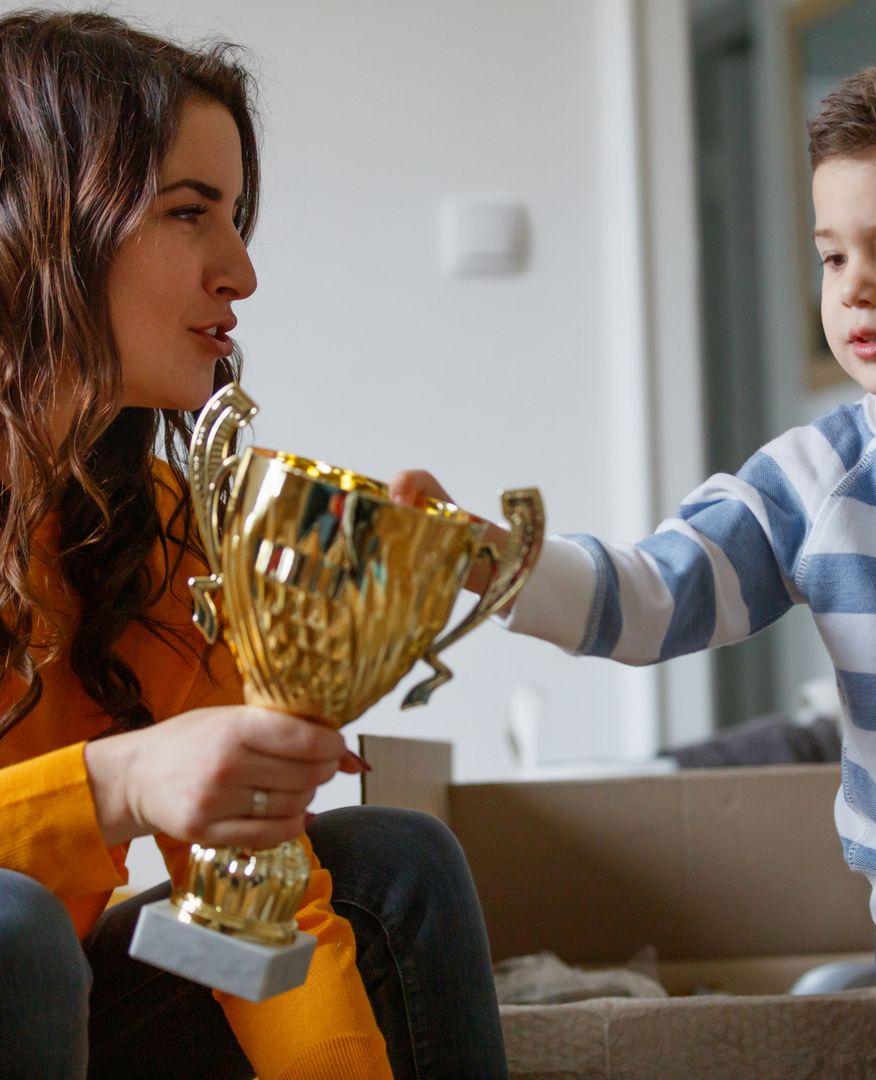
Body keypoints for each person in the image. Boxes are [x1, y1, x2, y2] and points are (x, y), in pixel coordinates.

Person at [392, 50, 876, 1080]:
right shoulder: (813, 480)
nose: (851, 292)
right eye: (831, 255)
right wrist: (490, 561)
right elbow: (650, 597)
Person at [0, 10, 507, 1080]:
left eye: (236, 219)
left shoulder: (152, 525)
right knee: (12, 929)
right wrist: (111, 784)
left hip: (53, 1011)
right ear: (38, 221)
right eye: (191, 214)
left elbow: (245, 913)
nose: (240, 272)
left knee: (389, 868)